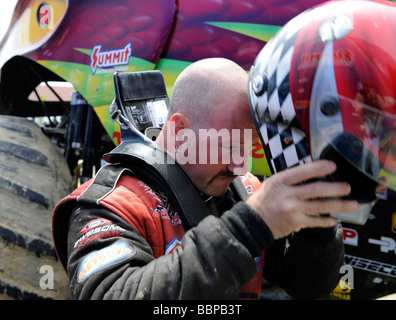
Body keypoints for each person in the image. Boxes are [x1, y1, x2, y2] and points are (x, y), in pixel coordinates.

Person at [52, 57, 357, 300]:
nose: (240, 165)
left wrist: (317, 228)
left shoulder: (245, 189)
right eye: (228, 146)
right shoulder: (110, 206)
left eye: (247, 147)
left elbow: (308, 284)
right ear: (181, 132)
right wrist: (249, 226)